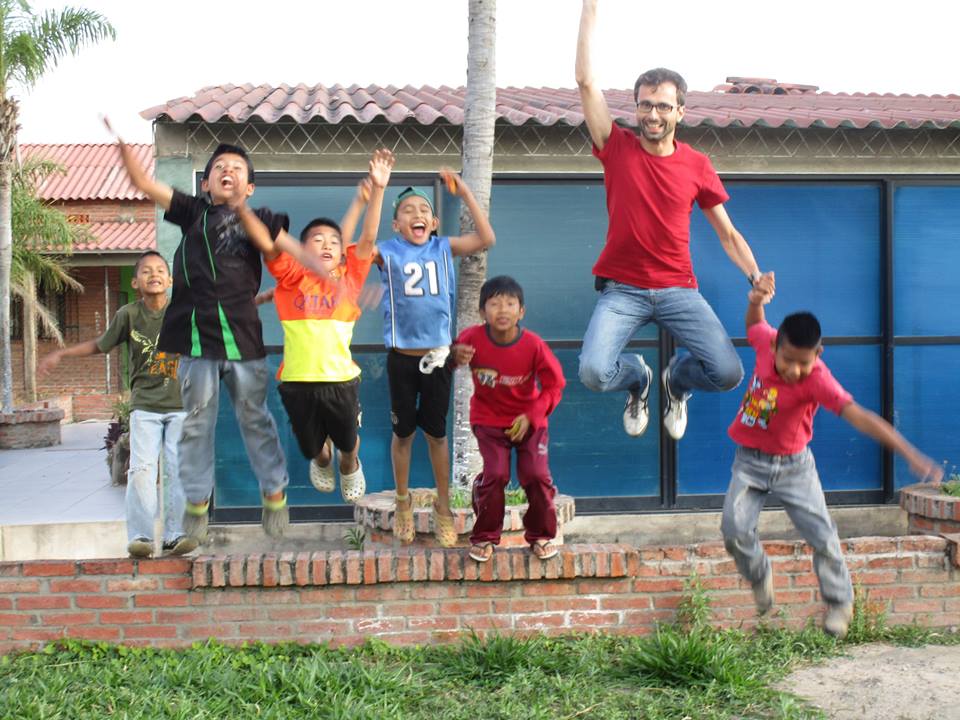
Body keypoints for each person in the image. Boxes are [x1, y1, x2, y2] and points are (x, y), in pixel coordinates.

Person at [575, 0, 770, 441]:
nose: (653, 115)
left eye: (663, 106)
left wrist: (755, 275)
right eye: (645, 105)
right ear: (636, 108)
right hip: (622, 289)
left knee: (727, 373)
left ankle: (676, 382)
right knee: (593, 372)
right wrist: (590, 9)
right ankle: (639, 379)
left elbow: (727, 233)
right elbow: (586, 81)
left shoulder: (697, 165)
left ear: (680, 112)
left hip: (678, 289)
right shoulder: (616, 147)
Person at [722, 273, 943, 639]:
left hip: (794, 467)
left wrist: (908, 452)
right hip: (749, 461)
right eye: (787, 360)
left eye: (804, 363)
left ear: (818, 355)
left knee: (822, 535)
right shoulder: (765, 343)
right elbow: (754, 325)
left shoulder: (818, 380)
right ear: (775, 346)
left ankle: (840, 602)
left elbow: (860, 416)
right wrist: (756, 300)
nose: (794, 371)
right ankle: (759, 574)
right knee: (734, 529)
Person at [112, 125, 291, 544]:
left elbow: (280, 250)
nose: (227, 171)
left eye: (237, 168)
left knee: (255, 419)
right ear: (206, 183)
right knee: (196, 425)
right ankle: (196, 503)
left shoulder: (260, 219)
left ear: (250, 186)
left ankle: (275, 493)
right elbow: (144, 184)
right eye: (219, 167)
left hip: (243, 342)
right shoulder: (194, 212)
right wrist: (126, 154)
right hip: (197, 343)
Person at [238, 149, 395, 504]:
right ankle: (323, 459)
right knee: (314, 450)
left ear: (342, 253)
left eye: (334, 242)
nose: (326, 245)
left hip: (341, 380)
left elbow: (367, 238)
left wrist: (378, 190)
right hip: (296, 381)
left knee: (346, 442)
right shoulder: (292, 276)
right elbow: (272, 248)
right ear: (303, 249)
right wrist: (246, 212)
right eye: (317, 241)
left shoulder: (349, 278)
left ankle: (349, 463)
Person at [38, 251, 196, 558]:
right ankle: (141, 537)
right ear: (135, 282)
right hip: (145, 406)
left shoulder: (183, 312)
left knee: (179, 469)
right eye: (146, 271)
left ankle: (176, 535)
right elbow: (100, 344)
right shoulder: (128, 315)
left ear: (170, 280)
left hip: (181, 406)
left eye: (160, 270)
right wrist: (62, 353)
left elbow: (217, 324)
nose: (154, 274)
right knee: (142, 470)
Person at [377, 171, 496, 546]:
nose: (417, 213)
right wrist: (377, 191)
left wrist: (466, 193)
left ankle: (442, 506)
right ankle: (402, 501)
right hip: (401, 358)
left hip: (439, 358)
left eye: (423, 209)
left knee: (436, 434)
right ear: (396, 224)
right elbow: (360, 250)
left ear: (434, 222)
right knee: (403, 433)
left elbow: (486, 238)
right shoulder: (388, 251)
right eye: (407, 210)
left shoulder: (442, 247)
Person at [451, 276, 565, 563]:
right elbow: (444, 362)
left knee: (536, 475)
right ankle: (485, 537)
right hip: (488, 420)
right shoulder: (471, 338)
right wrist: (454, 356)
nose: (502, 310)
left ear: (521, 311)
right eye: (494, 303)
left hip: (529, 422)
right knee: (497, 475)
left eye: (510, 303)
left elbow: (555, 385)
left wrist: (532, 416)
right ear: (482, 312)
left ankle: (540, 535)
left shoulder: (534, 345)